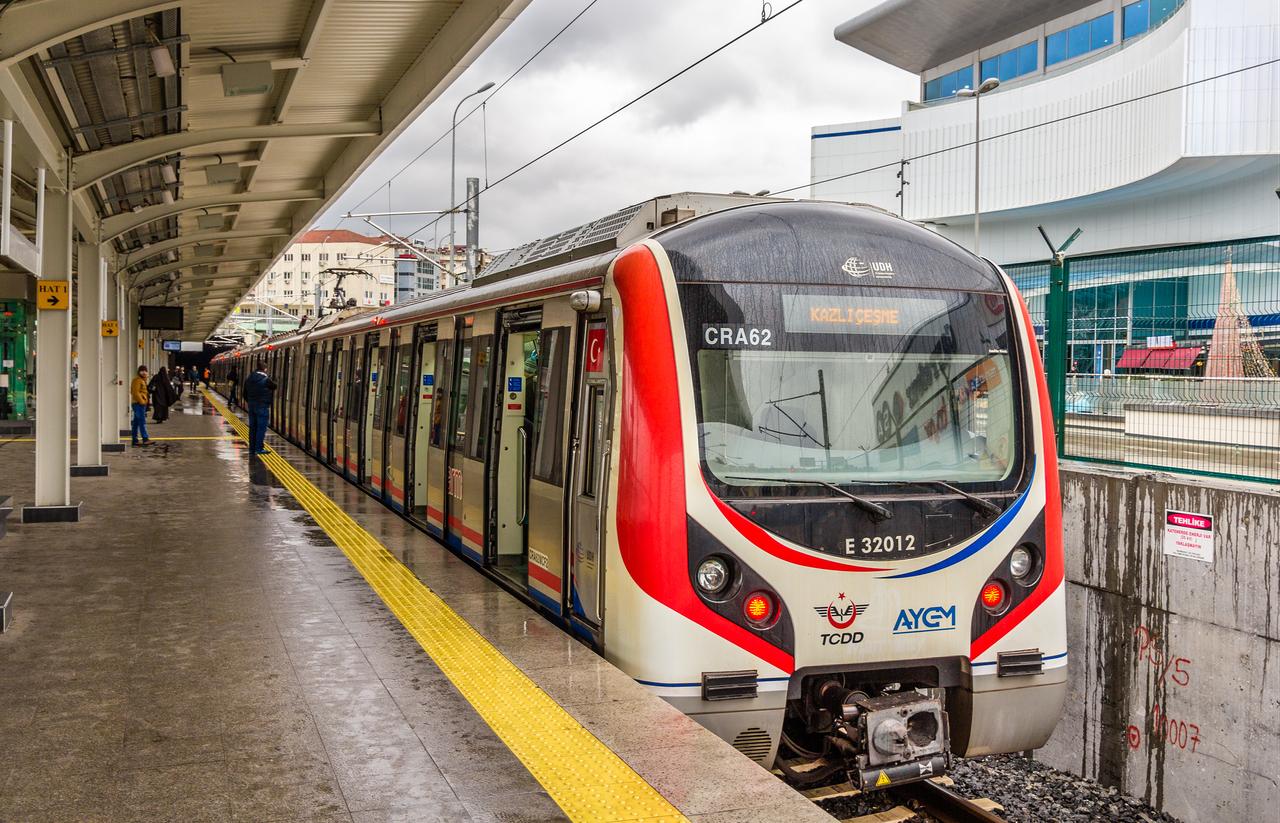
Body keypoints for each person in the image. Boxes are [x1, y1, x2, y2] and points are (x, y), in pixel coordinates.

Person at [243, 360, 277, 456]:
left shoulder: (249, 378)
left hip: (252, 406)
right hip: (262, 406)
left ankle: (252, 448)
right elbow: (274, 386)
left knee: (253, 427)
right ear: (265, 369)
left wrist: (250, 402)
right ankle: (259, 448)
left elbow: (244, 394)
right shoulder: (266, 379)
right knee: (261, 428)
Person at [130, 365, 152, 446]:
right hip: (138, 404)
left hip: (139, 404)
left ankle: (134, 440)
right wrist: (142, 401)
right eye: (142, 371)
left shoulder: (142, 380)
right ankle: (145, 438)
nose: (144, 372)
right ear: (139, 372)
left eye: (145, 371)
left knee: (136, 423)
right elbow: (135, 392)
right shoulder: (137, 380)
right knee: (142, 421)